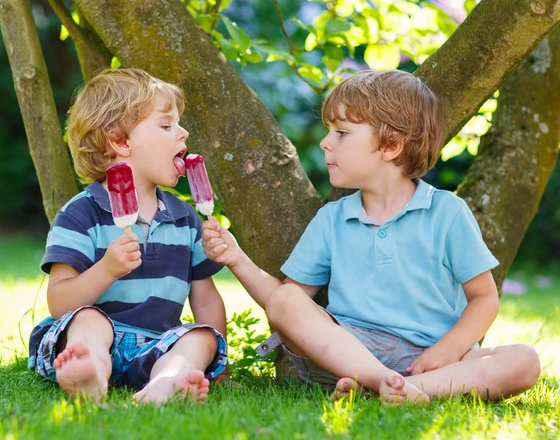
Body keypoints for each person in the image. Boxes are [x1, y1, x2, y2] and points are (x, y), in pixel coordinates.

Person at [203, 69, 541, 405]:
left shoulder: (446, 212)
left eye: (341, 133)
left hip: (429, 360)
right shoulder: (332, 220)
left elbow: (484, 298)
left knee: (524, 361)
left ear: (391, 145)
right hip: (344, 354)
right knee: (285, 299)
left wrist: (447, 350)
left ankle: (409, 390)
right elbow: (287, 302)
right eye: (328, 132)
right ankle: (379, 381)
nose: (325, 142)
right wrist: (236, 258)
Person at [29, 68, 227, 405]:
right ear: (121, 142)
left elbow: (205, 299)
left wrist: (217, 363)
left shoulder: (185, 218)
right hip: (88, 337)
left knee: (200, 337)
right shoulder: (81, 214)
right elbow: (60, 302)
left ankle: (166, 383)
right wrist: (107, 269)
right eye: (166, 125)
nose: (183, 133)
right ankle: (90, 369)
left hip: (156, 346)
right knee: (88, 320)